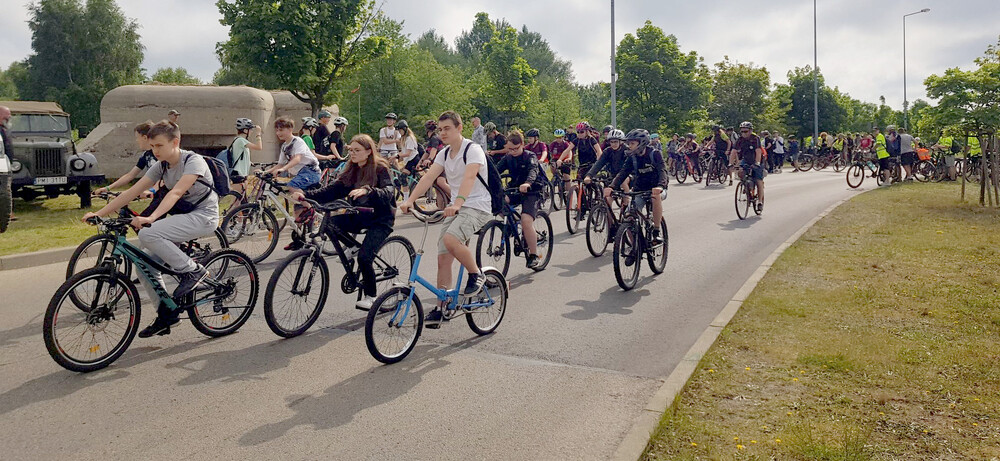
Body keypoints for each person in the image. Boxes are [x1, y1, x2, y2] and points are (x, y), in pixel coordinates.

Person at [82, 120, 218, 337]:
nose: (155, 151)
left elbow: (175, 193)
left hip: (204, 216)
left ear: (175, 142)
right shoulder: (161, 165)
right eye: (152, 146)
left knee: (148, 232)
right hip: (182, 218)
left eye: (159, 146)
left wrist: (151, 217)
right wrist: (99, 214)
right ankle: (167, 314)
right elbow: (132, 191)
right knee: (145, 266)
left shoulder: (194, 161)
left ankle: (193, 271)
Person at [399, 111, 492, 328]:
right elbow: (429, 177)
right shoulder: (443, 154)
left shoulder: (473, 150)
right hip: (456, 207)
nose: (442, 133)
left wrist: (458, 202)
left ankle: (476, 274)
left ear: (460, 128)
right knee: (443, 258)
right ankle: (443, 306)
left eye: (447, 128)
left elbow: (469, 178)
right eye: (440, 129)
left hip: (476, 206)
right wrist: (410, 200)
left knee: (451, 240)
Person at [290, 134, 395, 309]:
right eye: (351, 150)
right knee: (331, 223)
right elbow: (333, 190)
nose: (352, 154)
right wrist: (305, 195)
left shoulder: (380, 168)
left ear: (369, 151)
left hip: (381, 218)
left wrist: (367, 191)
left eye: (357, 150)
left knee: (364, 258)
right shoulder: (352, 170)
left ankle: (371, 296)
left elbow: (389, 191)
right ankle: (352, 246)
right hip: (360, 213)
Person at [264, 117, 321, 250]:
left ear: (290, 129)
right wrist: (265, 171)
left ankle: (310, 209)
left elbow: (297, 158)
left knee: (291, 185)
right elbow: (280, 164)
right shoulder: (284, 146)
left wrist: (283, 169)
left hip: (311, 171)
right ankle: (299, 241)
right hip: (300, 175)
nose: (279, 133)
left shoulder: (298, 141)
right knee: (297, 216)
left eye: (281, 130)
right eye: (277, 130)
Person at [605, 129, 666, 244]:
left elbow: (662, 171)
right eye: (628, 143)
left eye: (632, 144)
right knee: (628, 217)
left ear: (642, 143)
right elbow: (622, 173)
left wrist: (660, 186)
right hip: (639, 190)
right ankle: (635, 247)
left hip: (657, 188)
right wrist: (612, 187)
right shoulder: (632, 157)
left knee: (655, 197)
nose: (629, 146)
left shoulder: (655, 154)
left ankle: (656, 231)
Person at [495, 132, 547, 268]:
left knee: (526, 220)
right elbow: (495, 171)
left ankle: (534, 255)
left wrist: (528, 183)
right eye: (510, 149)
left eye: (515, 149)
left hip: (532, 190)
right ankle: (514, 226)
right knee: (497, 203)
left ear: (522, 145)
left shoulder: (530, 156)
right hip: (515, 188)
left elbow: (533, 171)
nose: (512, 152)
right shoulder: (508, 157)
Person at [95, 121, 159, 197]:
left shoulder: (160, 154)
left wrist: (151, 190)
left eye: (137, 137)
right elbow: (130, 175)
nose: (137, 141)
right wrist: (108, 188)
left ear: (145, 138)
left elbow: (164, 177)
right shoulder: (145, 155)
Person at [559, 122, 602, 207]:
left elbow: (599, 151)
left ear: (587, 131)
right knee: (579, 182)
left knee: (591, 182)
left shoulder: (591, 140)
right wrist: (560, 159)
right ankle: (582, 206)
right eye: (578, 132)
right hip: (582, 164)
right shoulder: (576, 140)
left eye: (582, 132)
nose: (579, 134)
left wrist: (598, 161)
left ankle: (597, 192)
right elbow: (567, 150)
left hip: (592, 164)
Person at [585, 128, 628, 209]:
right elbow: (598, 164)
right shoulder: (607, 151)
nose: (613, 144)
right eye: (611, 142)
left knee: (623, 182)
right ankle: (610, 221)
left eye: (616, 142)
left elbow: (629, 168)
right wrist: (589, 176)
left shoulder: (627, 151)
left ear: (621, 141)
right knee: (607, 200)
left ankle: (626, 203)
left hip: (627, 176)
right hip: (613, 177)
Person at [730, 121, 765, 212]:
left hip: (756, 160)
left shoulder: (755, 138)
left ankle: (760, 202)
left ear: (750, 131)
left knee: (758, 180)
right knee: (741, 172)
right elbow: (733, 151)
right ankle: (746, 185)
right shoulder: (740, 139)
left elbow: (758, 151)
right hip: (746, 160)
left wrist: (757, 163)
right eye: (742, 131)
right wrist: (730, 163)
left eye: (745, 131)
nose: (743, 133)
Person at [227, 118, 263, 191]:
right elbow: (259, 147)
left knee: (241, 197)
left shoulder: (240, 140)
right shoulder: (240, 140)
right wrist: (258, 134)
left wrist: (249, 162)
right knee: (237, 194)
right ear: (245, 130)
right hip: (239, 172)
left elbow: (240, 156)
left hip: (242, 172)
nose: (252, 131)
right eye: (251, 129)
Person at [0, 106, 12, 222]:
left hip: (6, 165)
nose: (9, 118)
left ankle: (8, 213)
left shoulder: (3, 129)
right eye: (6, 115)